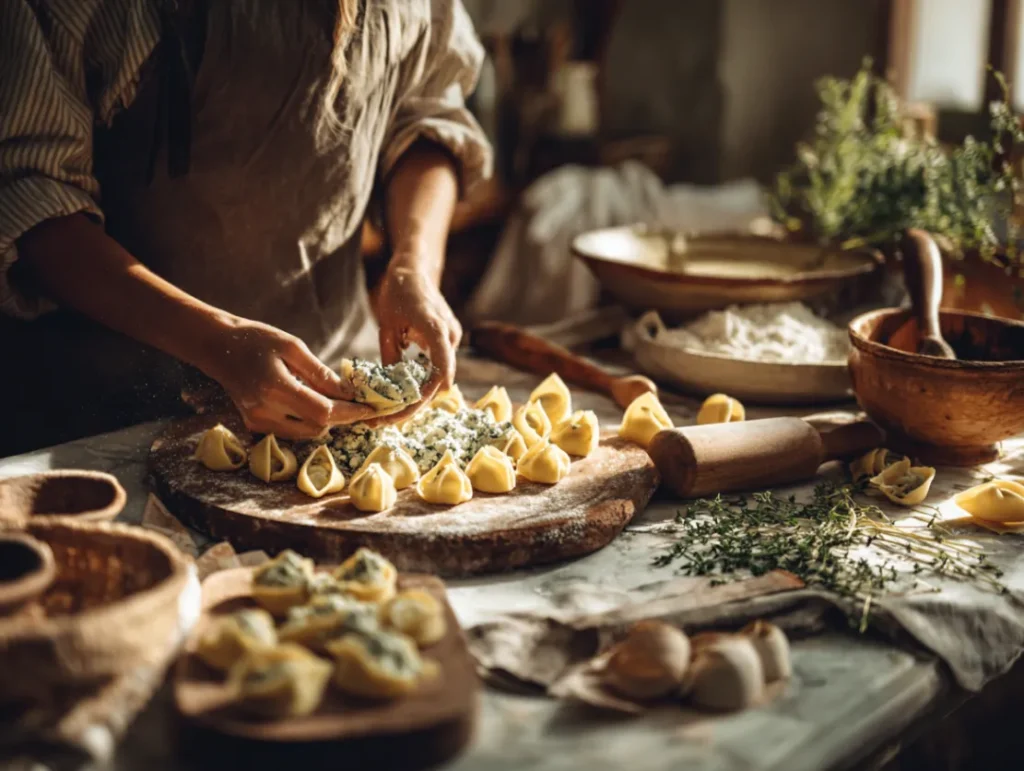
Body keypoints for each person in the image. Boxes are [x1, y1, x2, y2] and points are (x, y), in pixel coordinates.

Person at [0, 0, 489, 455]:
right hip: (115, 418)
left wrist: (414, 266)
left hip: (343, 404)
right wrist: (218, 343)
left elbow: (429, 116)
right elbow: (31, 199)